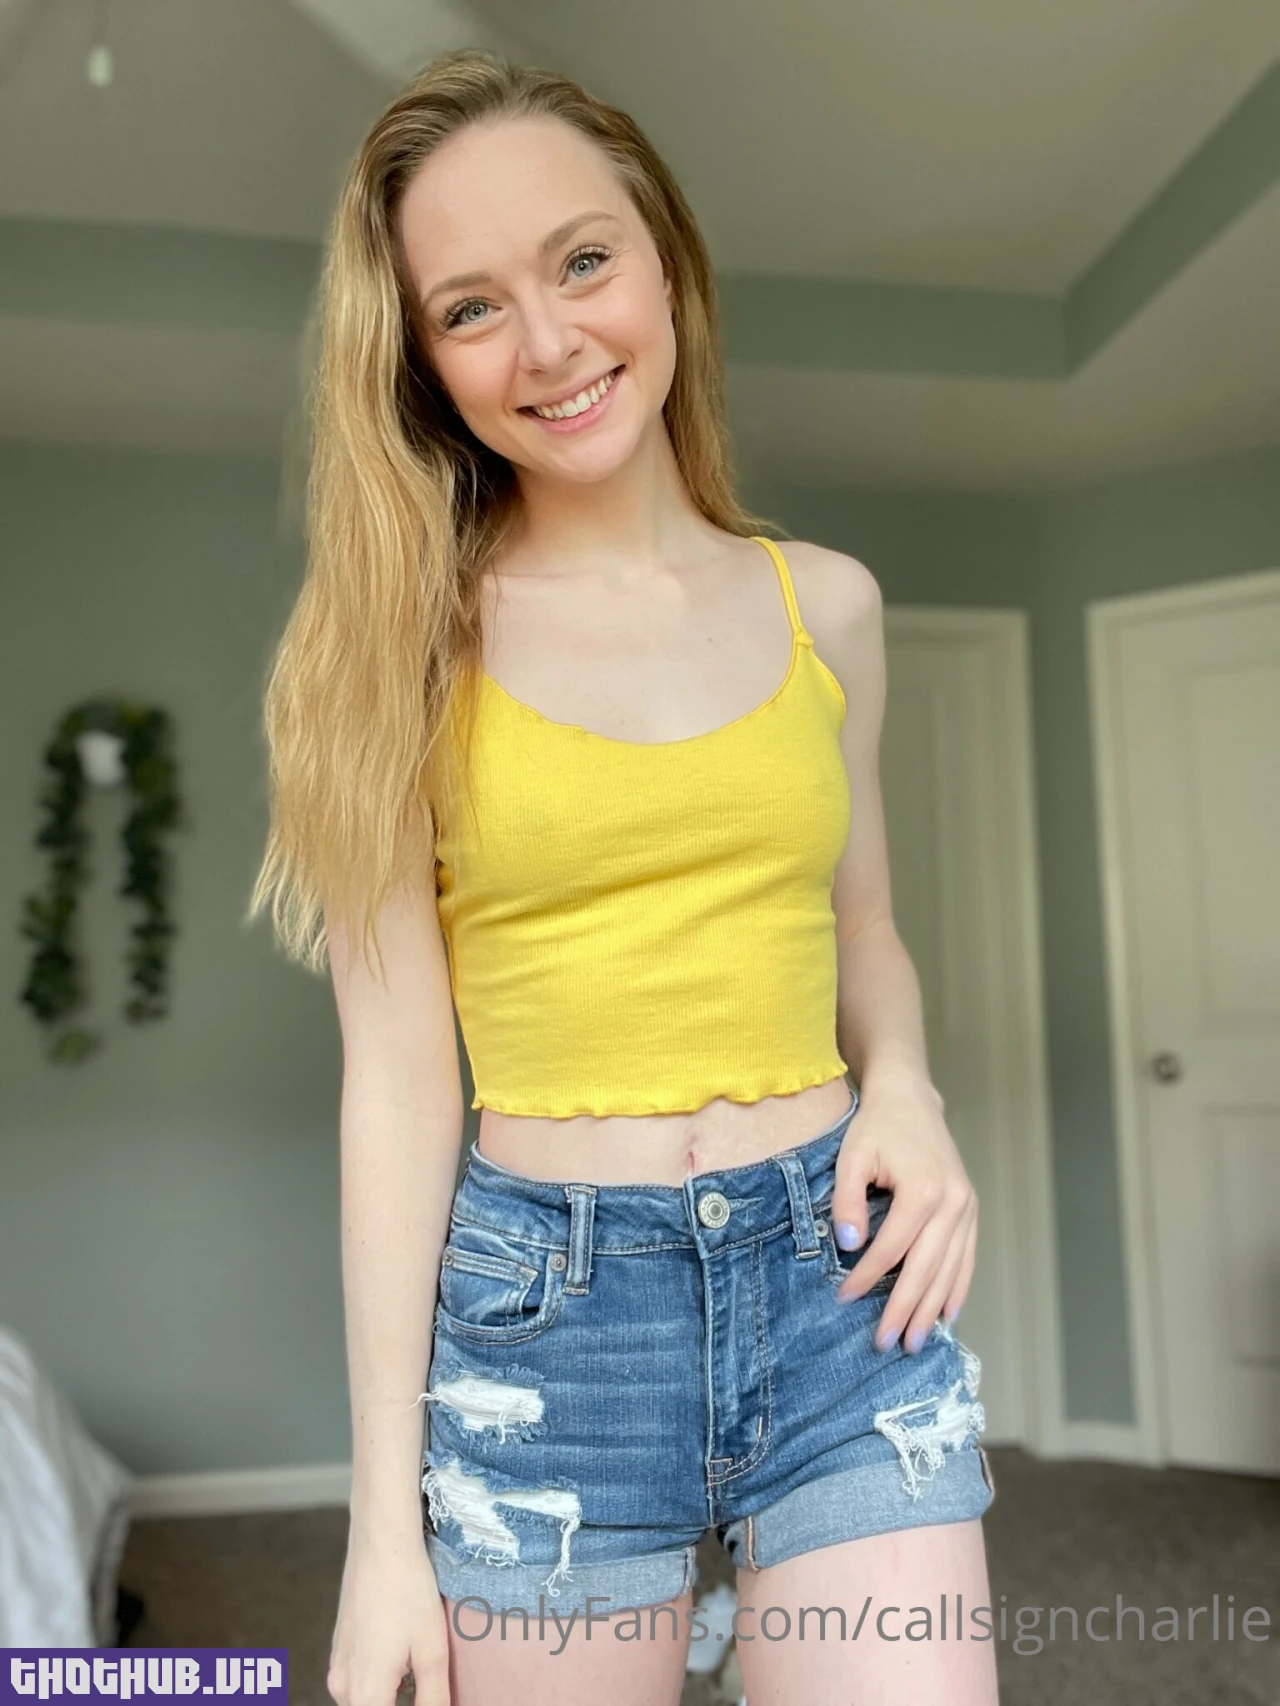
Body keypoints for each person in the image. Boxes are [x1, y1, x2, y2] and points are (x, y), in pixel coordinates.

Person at [249, 47, 999, 1706]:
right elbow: (397, 1088)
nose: (549, 342)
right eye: (471, 307)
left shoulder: (829, 606)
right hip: (551, 1330)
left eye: (582, 259)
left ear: (664, 260)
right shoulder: (392, 655)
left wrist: (909, 1087)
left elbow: (864, 925)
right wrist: (384, 1532)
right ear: (421, 363)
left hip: (839, 1284)